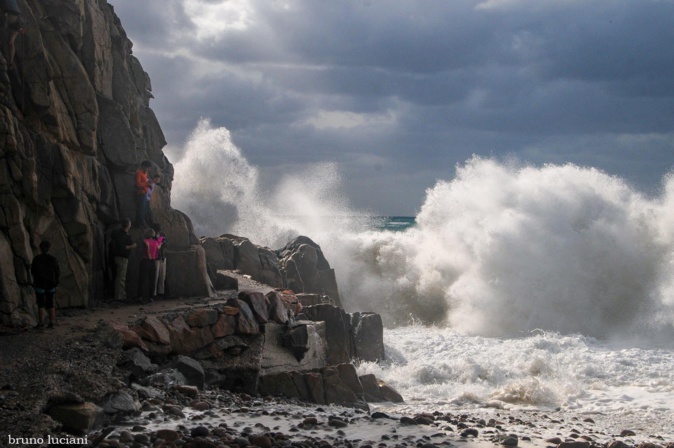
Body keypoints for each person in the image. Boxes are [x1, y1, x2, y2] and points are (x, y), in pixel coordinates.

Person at [31, 241, 60, 329]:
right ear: (49, 248)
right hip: (51, 284)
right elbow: (57, 272)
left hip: (40, 284)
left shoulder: (36, 259)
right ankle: (51, 323)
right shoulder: (53, 259)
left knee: (41, 304)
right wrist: (56, 282)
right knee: (50, 303)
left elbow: (33, 271)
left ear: (40, 248)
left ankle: (41, 323)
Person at [109, 218, 137, 301]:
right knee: (121, 278)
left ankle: (121, 295)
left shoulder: (120, 234)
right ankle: (119, 296)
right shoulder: (122, 235)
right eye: (130, 224)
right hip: (121, 258)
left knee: (119, 277)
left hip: (118, 257)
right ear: (128, 225)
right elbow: (122, 247)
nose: (131, 225)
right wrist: (132, 246)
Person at [137, 228, 162, 302]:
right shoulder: (155, 242)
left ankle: (140, 296)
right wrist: (161, 242)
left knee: (142, 279)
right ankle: (151, 297)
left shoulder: (145, 241)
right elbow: (158, 247)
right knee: (152, 279)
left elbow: (146, 248)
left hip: (145, 261)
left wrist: (148, 254)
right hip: (153, 261)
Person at [0, 0, 24, 69]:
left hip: (9, 18)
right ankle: (10, 63)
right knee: (11, 43)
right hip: (17, 21)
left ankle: (9, 63)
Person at [135, 160, 154, 228]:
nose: (148, 169)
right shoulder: (139, 173)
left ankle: (142, 223)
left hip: (144, 193)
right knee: (141, 209)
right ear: (143, 166)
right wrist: (147, 184)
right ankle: (140, 224)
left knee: (144, 209)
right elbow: (138, 184)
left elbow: (144, 183)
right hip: (140, 193)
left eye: (149, 168)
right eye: (147, 167)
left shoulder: (145, 173)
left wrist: (149, 185)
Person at [152, 223, 167, 298]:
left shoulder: (162, 234)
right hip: (156, 257)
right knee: (156, 275)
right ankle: (154, 293)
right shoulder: (153, 236)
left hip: (162, 257)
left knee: (162, 275)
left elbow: (165, 243)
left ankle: (161, 292)